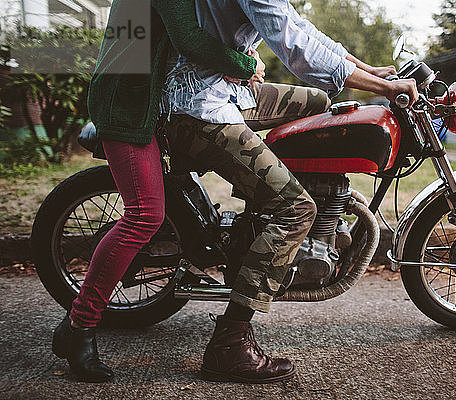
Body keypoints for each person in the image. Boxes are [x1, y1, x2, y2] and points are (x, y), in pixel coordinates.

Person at [160, 0, 418, 384]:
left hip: (227, 91)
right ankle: (229, 344)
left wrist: (369, 70)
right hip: (199, 107)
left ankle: (262, 225)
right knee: (296, 208)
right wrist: (385, 87)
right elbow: (294, 44)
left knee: (321, 103)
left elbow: (301, 26)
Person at [51, 0, 260, 383]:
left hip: (148, 102)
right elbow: (189, 38)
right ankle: (77, 326)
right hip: (127, 108)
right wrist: (247, 65)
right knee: (145, 215)